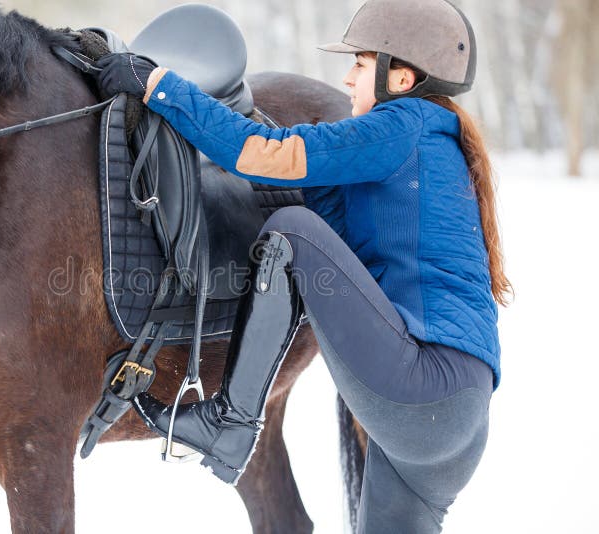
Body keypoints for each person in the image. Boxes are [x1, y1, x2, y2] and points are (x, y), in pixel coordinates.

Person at [96, 0, 513, 531]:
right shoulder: (435, 142)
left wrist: (160, 85)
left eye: (361, 65)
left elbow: (262, 153)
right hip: (456, 423)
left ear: (401, 77)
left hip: (420, 389)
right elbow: (341, 238)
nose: (348, 77)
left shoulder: (401, 124)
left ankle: (231, 421)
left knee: (289, 232)